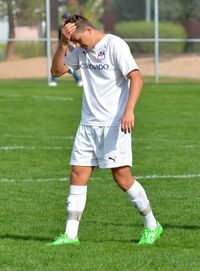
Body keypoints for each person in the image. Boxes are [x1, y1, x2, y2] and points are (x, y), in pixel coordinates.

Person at [48, 15, 163, 246]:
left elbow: (136, 78)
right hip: (88, 125)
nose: (78, 46)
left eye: (79, 40)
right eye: (75, 43)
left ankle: (152, 225)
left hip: (114, 125)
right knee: (78, 174)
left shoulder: (114, 45)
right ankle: (70, 235)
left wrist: (129, 111)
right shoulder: (80, 50)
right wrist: (62, 44)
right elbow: (57, 70)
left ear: (89, 30)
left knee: (122, 178)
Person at [49, 13, 83, 87]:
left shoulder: (71, 28)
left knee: (69, 65)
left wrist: (73, 45)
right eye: (66, 18)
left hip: (65, 48)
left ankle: (78, 80)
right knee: (59, 65)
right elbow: (64, 41)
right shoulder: (62, 28)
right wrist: (67, 49)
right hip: (63, 49)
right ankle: (52, 80)